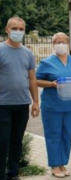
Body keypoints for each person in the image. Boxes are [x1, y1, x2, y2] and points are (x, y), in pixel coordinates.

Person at [36, 32, 71, 178]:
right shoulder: (46, 62)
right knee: (53, 134)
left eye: (63, 41)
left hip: (70, 105)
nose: (60, 44)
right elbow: (35, 81)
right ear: (53, 44)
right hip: (52, 106)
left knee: (66, 135)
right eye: (57, 42)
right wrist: (51, 84)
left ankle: (62, 162)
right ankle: (55, 165)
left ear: (68, 44)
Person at [0, 17, 39, 180]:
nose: (18, 31)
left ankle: (13, 174)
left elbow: (32, 79)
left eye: (21, 29)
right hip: (3, 105)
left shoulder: (28, 53)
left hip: (22, 103)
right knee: (2, 143)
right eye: (14, 28)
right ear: (6, 30)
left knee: (17, 142)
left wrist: (36, 101)